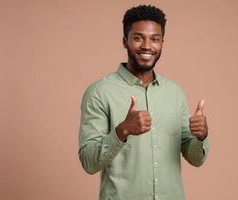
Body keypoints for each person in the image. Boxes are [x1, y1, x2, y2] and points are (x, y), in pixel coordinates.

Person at [78, 4, 209, 200]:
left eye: (155, 39)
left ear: (162, 43)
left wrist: (201, 137)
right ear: (125, 41)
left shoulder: (175, 92)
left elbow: (196, 159)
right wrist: (122, 130)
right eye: (138, 38)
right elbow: (89, 163)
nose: (147, 46)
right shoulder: (99, 92)